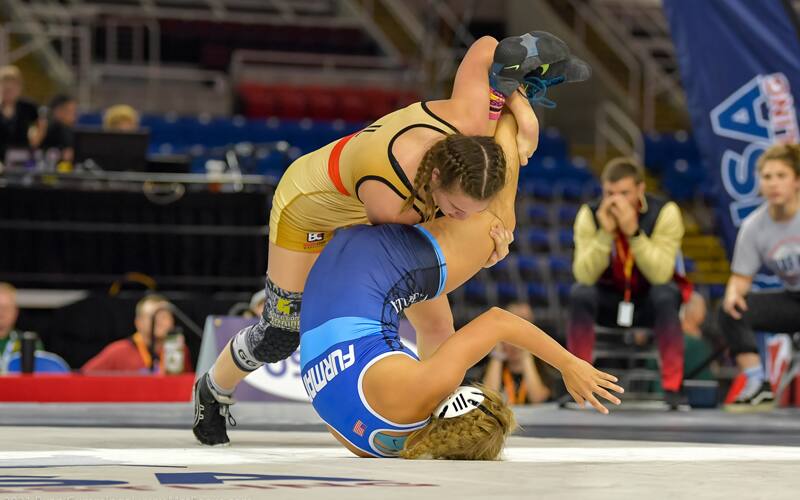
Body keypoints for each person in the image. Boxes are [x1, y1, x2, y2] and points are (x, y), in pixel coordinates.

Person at [193, 31, 590, 445]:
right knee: (281, 332)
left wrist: (517, 103)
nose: (458, 217)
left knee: (438, 322)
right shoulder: (392, 202)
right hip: (307, 209)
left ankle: (436, 408)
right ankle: (213, 389)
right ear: (435, 180)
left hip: (367, 203)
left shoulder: (468, 122)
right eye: (454, 209)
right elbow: (367, 260)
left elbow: (487, 47)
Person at [567, 157, 688, 409]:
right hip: (609, 300)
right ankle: (578, 384)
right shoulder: (590, 214)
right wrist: (604, 235)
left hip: (648, 300)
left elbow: (661, 273)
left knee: (666, 293)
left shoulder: (665, 212)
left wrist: (633, 232)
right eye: (610, 193)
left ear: (640, 189)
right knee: (580, 293)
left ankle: (673, 387)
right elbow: (584, 274)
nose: (616, 201)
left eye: (624, 193)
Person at [719, 143, 800, 412]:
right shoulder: (754, 226)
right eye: (767, 177)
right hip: (792, 301)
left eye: (781, 176)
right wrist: (733, 294)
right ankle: (758, 386)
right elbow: (740, 279)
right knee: (731, 309)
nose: (774, 183)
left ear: (796, 181)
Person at [82, 294, 191, 374]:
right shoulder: (118, 351)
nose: (159, 321)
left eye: (164, 316)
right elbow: (83, 377)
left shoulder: (180, 351)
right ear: (138, 323)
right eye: (152, 316)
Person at [482, 302, 552, 404]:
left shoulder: (542, 365)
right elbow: (488, 397)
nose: (516, 343)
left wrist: (526, 355)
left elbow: (538, 399)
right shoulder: (493, 367)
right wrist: (497, 354)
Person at [0, 65, 41, 162]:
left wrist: (35, 140)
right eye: (6, 89)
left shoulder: (28, 107)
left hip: (22, 157)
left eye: (13, 87)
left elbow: (41, 123)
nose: (9, 90)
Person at [38, 94, 78, 163]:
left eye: (75, 111)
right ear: (58, 111)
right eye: (70, 111)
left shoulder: (70, 130)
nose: (74, 116)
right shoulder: (52, 129)